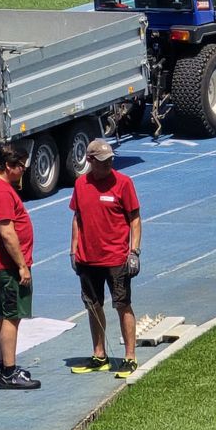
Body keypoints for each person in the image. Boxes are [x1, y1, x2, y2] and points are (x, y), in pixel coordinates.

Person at [68, 138, 142, 379]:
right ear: (90, 160)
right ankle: (99, 355)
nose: (108, 164)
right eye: (102, 161)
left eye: (110, 160)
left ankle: (130, 357)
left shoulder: (124, 183)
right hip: (88, 259)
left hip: (116, 259)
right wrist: (73, 250)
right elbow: (77, 218)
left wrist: (134, 252)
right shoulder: (80, 184)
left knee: (122, 304)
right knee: (93, 305)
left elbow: (135, 218)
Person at [0, 143, 41, 390]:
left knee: (5, 313)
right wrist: (22, 266)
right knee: (12, 316)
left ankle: (3, 364)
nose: (24, 170)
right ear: (8, 165)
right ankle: (9, 372)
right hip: (8, 265)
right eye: (21, 166)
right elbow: (7, 233)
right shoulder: (1, 193)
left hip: (2, 263)